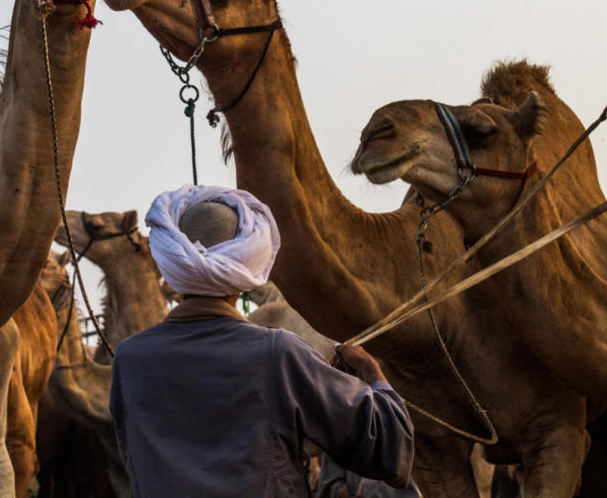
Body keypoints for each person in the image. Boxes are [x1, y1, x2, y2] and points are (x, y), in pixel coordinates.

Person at [110, 185, 414, 497]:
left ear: (174, 259)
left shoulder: (129, 359)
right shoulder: (279, 353)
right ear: (246, 262)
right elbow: (389, 450)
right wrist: (371, 372)